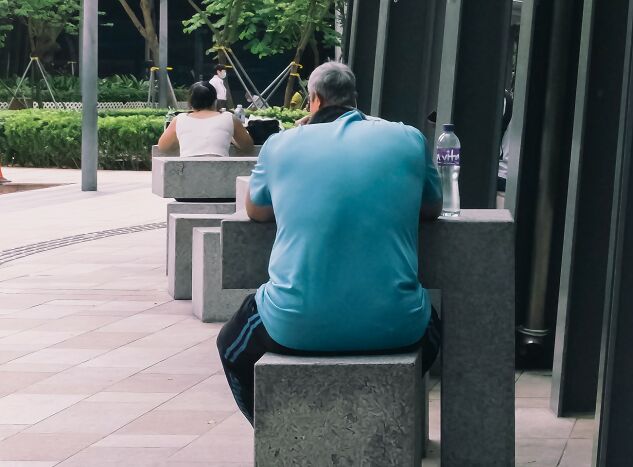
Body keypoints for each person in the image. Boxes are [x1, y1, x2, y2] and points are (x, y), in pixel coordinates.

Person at [216, 61, 443, 425]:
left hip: (294, 325)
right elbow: (432, 208)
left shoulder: (281, 144)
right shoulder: (409, 138)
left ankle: (274, 434)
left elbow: (257, 211)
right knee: (434, 325)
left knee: (230, 345)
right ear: (356, 99)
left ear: (314, 100)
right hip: (398, 327)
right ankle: (379, 425)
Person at [157, 81, 253, 157]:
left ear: (190, 103)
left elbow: (163, 148)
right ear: (215, 101)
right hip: (221, 174)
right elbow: (248, 147)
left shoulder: (179, 119)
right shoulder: (229, 118)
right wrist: (230, 138)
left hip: (187, 174)